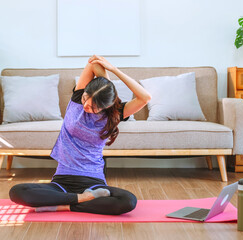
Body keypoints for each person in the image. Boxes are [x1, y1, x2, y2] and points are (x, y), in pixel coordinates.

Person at [9, 55, 152, 215]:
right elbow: (93, 63)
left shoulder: (116, 113)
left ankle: (66, 204)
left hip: (94, 183)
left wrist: (114, 70)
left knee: (128, 201)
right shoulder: (77, 100)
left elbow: (145, 97)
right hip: (62, 180)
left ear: (107, 106)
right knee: (17, 191)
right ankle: (80, 199)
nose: (85, 106)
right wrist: (105, 82)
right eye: (85, 99)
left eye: (93, 107)